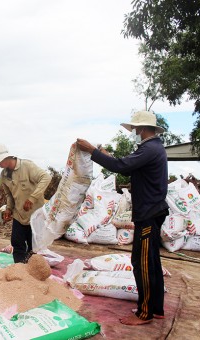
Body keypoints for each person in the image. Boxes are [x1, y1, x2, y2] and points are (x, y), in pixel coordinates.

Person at [76, 110, 169, 326]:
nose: (135, 132)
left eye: (136, 129)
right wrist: (106, 156)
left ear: (144, 129)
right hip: (152, 212)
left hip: (148, 214)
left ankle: (145, 313)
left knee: (142, 262)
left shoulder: (150, 148)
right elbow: (128, 167)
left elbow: (122, 166)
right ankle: (157, 308)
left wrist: (93, 151)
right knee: (151, 261)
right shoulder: (153, 149)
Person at [0, 144, 51, 263]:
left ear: (6, 158)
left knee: (34, 247)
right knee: (17, 243)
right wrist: (9, 209)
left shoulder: (27, 166)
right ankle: (19, 269)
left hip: (35, 215)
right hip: (18, 215)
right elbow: (9, 195)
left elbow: (46, 178)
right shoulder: (3, 175)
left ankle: (32, 271)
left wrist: (32, 198)